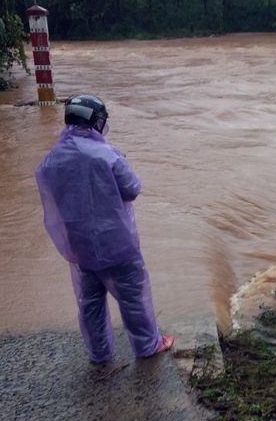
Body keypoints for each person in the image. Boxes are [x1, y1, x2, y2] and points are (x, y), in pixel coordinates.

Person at [35, 94, 174, 363]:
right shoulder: (107, 155)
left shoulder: (51, 161)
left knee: (90, 303)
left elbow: (54, 198)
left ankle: (99, 353)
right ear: (97, 122)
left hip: (78, 246)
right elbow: (133, 188)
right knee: (133, 297)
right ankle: (148, 346)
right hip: (117, 242)